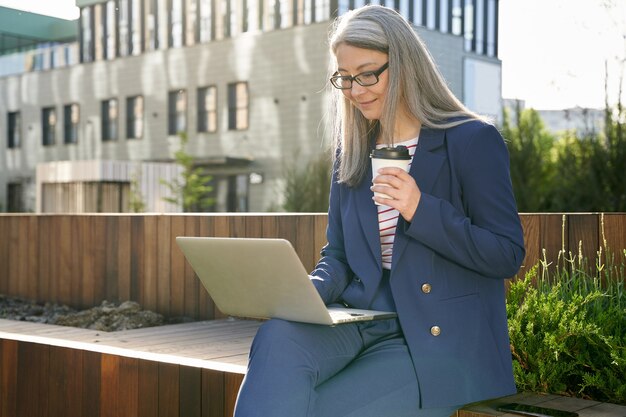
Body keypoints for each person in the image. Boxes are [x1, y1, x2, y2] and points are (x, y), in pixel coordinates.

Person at [234, 5, 525, 417]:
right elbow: (336, 256)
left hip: (434, 337)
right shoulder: (351, 152)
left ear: (404, 62)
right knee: (278, 336)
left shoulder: (472, 140)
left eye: (368, 73)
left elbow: (506, 254)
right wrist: (305, 294)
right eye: (345, 77)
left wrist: (421, 209)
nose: (356, 89)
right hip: (359, 319)